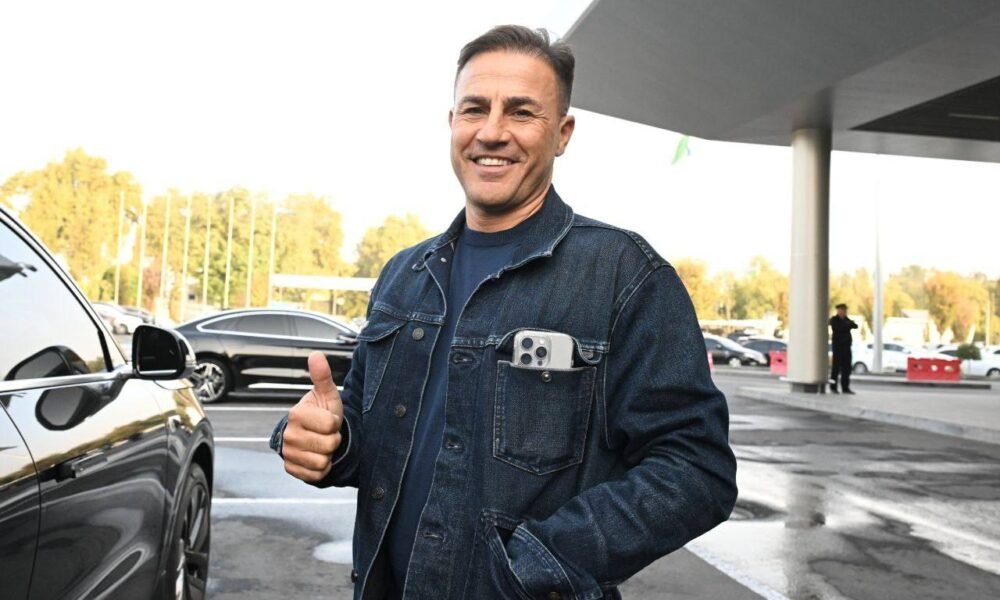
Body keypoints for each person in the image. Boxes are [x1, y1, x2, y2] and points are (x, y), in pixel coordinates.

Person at [270, 25, 737, 600]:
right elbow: (376, 438)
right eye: (475, 109)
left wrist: (539, 564)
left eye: (521, 112)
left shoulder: (624, 275)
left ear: (562, 133)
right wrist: (329, 441)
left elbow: (696, 471)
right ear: (452, 123)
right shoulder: (404, 274)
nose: (491, 132)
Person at [829, 303, 858, 394]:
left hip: (846, 347)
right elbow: (839, 328)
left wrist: (847, 324)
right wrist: (847, 325)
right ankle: (833, 387)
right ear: (838, 311)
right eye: (841, 310)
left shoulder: (846, 320)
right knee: (836, 368)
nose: (843, 312)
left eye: (844, 310)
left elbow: (855, 325)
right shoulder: (834, 320)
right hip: (838, 347)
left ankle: (845, 387)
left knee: (846, 368)